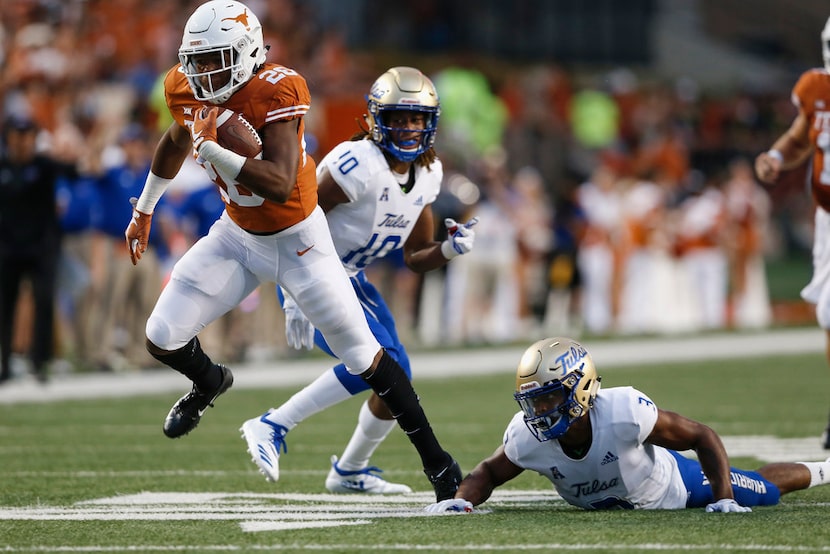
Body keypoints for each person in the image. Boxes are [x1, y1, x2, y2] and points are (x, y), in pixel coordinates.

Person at [123, 1, 462, 501]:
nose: (200, 73)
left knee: (370, 357)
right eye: (196, 61)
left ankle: (441, 469)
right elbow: (176, 138)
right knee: (160, 336)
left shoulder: (279, 87)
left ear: (244, 54)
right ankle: (209, 382)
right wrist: (146, 208)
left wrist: (215, 150)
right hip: (236, 235)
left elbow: (280, 183)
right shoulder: (186, 84)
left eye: (214, 59)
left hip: (301, 244)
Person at [239, 66, 477, 494]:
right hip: (309, 273)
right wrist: (293, 292)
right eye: (399, 117)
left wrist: (448, 249)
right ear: (375, 119)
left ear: (430, 122)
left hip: (351, 278)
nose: (408, 128)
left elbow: (414, 257)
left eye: (416, 118)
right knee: (386, 365)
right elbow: (297, 219)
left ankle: (348, 470)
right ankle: (274, 424)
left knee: (395, 373)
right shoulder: (359, 164)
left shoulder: (428, 174)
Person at [425, 337, 830, 514]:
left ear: (580, 388)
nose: (540, 410)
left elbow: (702, 437)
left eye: (548, 397)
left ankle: (822, 469)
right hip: (623, 493)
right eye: (533, 400)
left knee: (764, 490)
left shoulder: (623, 412)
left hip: (673, 486)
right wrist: (464, 499)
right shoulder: (527, 436)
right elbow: (488, 472)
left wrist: (723, 498)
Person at [754, 16, 830, 448]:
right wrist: (776, 155)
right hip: (828, 218)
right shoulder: (818, 90)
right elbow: (804, 136)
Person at [0, 116, 73, 384]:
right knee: (5, 306)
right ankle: (5, 363)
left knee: (44, 302)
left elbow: (75, 171)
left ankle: (39, 362)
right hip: (8, 247)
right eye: (18, 136)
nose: (22, 142)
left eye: (27, 135)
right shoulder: (3, 166)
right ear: (9, 138)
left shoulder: (44, 165)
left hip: (41, 248)